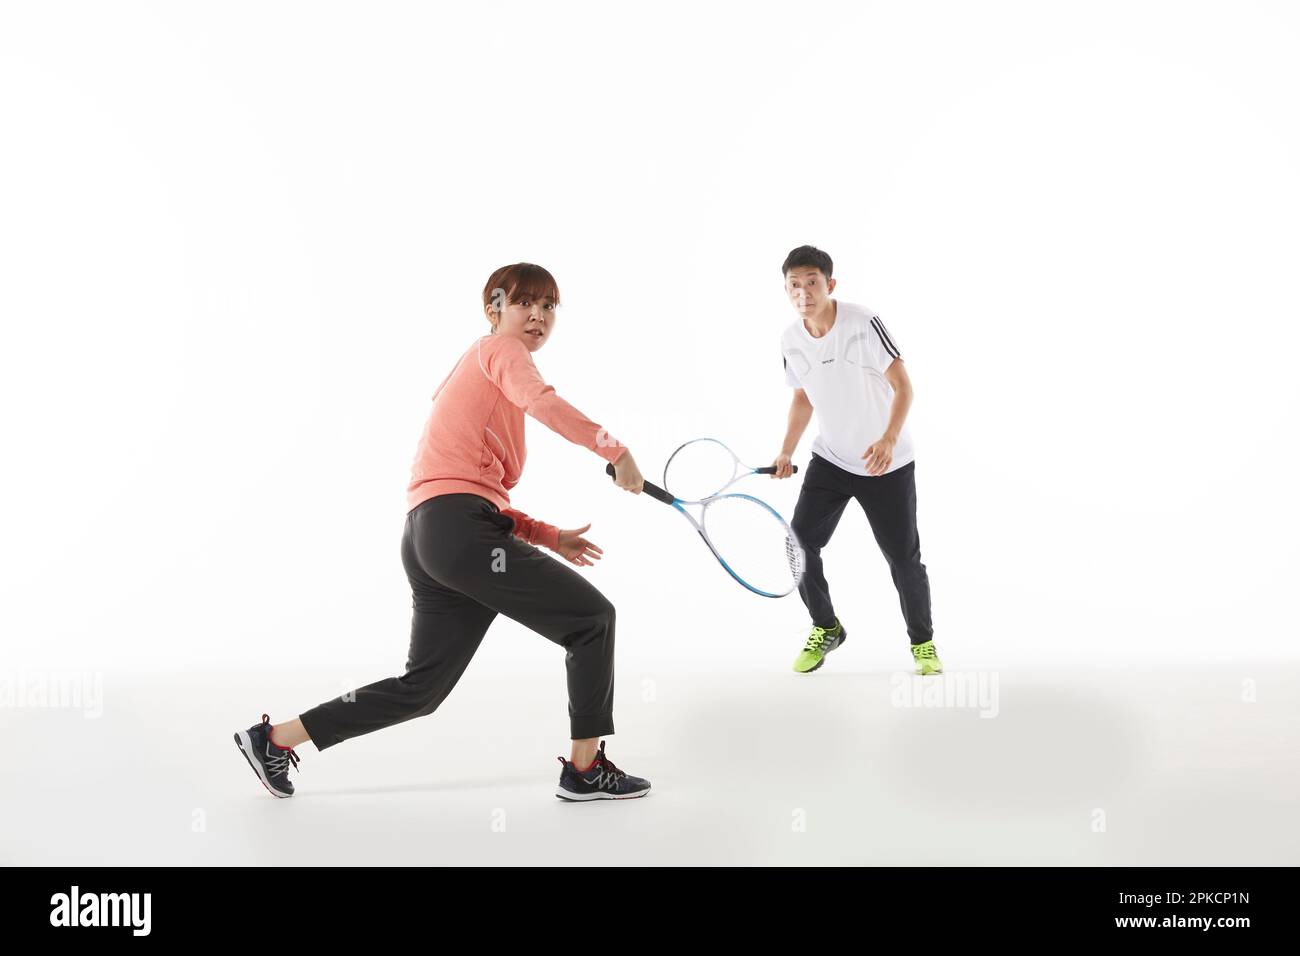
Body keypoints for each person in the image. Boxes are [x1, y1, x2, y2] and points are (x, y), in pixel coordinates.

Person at [234, 262, 653, 801]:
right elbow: (543, 405)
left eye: (550, 306)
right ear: (494, 309)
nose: (539, 315)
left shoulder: (480, 372)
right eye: (526, 302)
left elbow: (471, 490)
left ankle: (273, 739)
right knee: (592, 621)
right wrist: (613, 449)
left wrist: (548, 536)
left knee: (421, 689)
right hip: (457, 533)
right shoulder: (502, 352)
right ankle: (585, 769)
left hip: (431, 537)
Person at [772, 245, 943, 676]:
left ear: (830, 285)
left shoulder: (862, 323)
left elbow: (903, 385)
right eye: (794, 285)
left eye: (812, 283)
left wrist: (888, 438)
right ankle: (825, 626)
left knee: (904, 559)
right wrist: (787, 451)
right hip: (829, 459)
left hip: (885, 463)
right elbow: (801, 399)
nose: (803, 293)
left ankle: (923, 644)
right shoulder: (790, 340)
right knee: (799, 543)